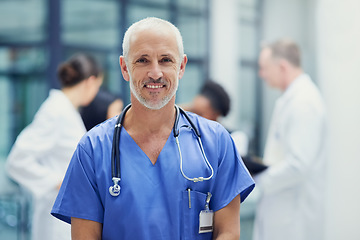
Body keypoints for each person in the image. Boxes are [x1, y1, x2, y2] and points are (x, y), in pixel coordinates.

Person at [51, 17, 255, 240]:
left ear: (182, 66)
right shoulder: (91, 150)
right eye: (142, 60)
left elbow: (228, 232)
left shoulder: (216, 142)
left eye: (166, 59)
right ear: (124, 67)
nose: (155, 73)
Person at [6, 53, 103, 240]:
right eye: (97, 87)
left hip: (66, 213)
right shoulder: (55, 111)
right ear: (91, 81)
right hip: (55, 217)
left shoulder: (66, 110)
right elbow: (17, 161)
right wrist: (58, 182)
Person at [253, 39, 327, 240]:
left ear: (282, 67)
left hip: (294, 220)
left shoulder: (303, 103)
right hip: (282, 212)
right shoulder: (292, 100)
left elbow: (299, 165)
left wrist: (259, 180)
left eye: (264, 68)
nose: (262, 74)